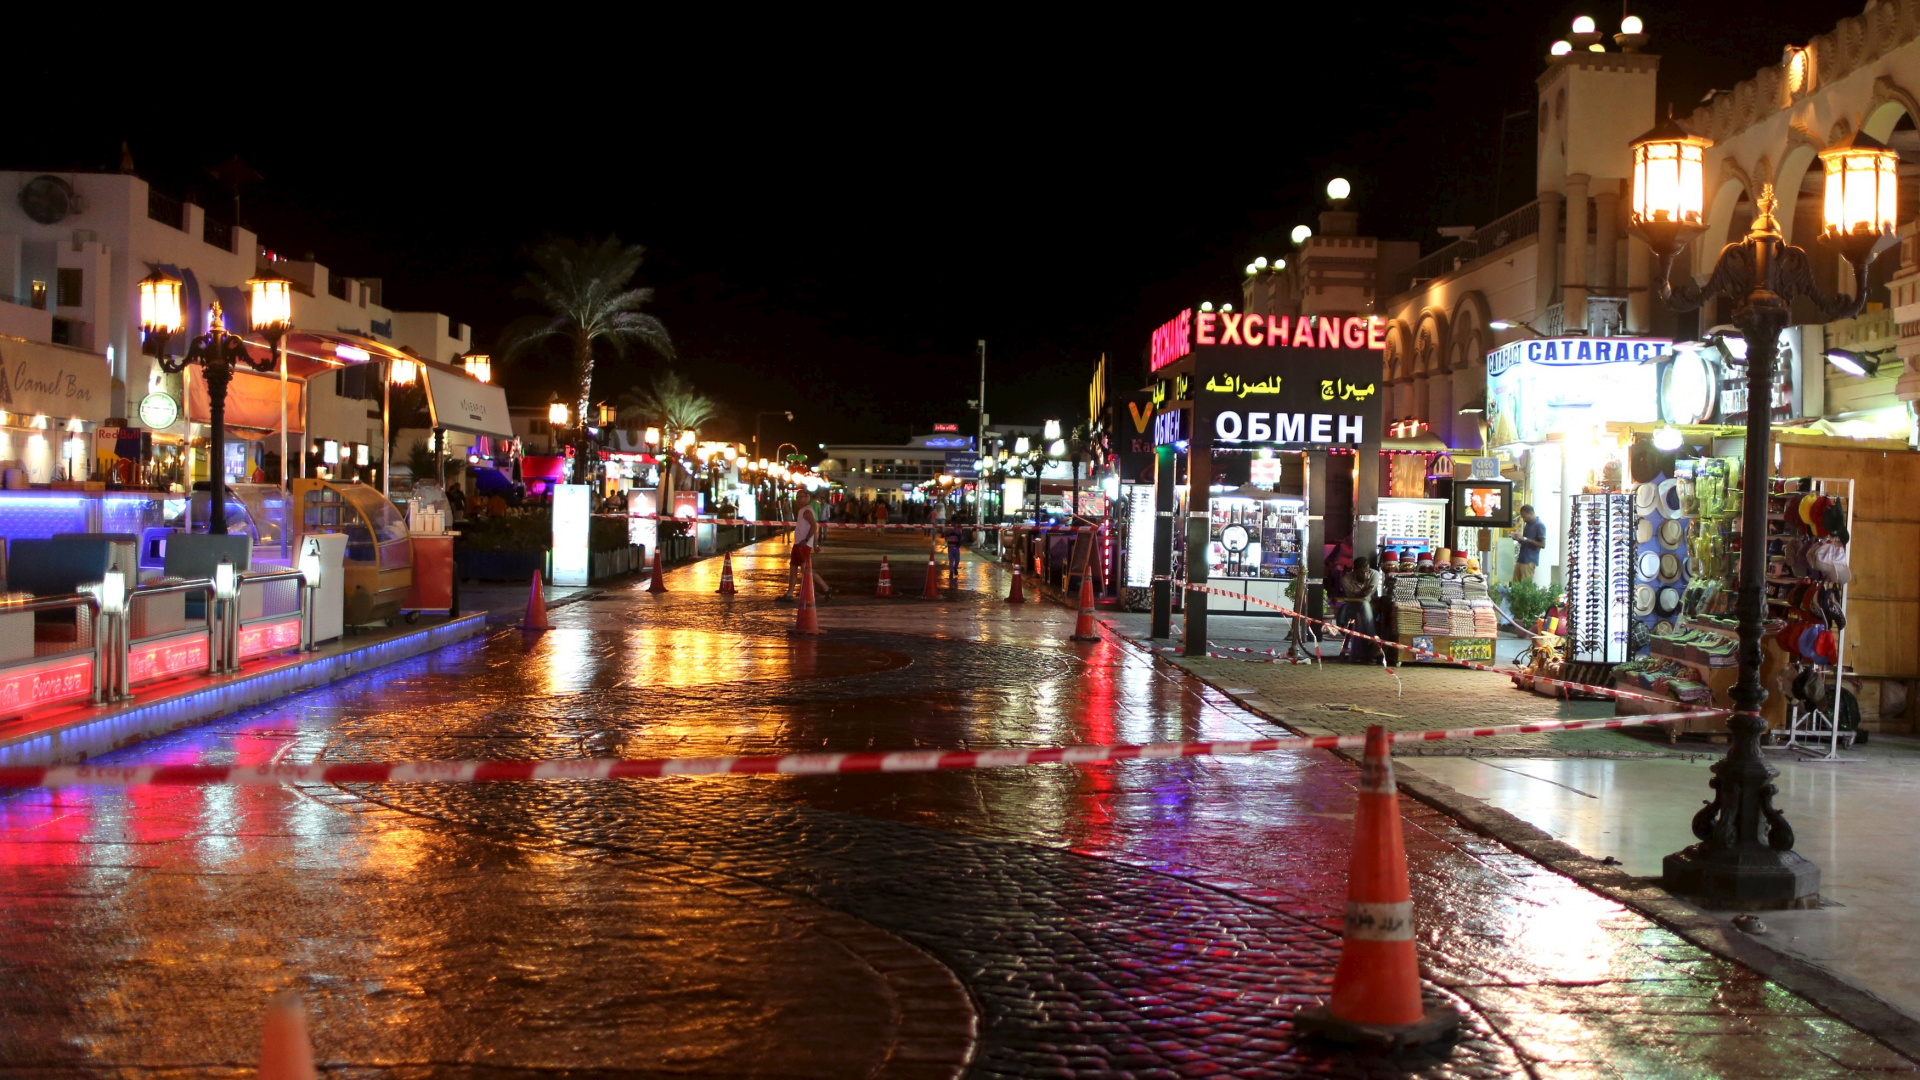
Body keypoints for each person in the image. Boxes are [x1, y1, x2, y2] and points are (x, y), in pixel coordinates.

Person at [778, 489, 831, 603]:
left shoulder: (807, 511)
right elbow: (813, 527)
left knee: (806, 570)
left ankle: (825, 588)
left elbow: (814, 526)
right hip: (799, 544)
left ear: (807, 497)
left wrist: (807, 541)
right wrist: (815, 544)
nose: (798, 499)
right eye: (797, 497)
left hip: (803, 545)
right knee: (793, 568)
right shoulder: (803, 510)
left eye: (800, 497)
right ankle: (789, 594)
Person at [1335, 555, 1380, 663]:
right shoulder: (1346, 579)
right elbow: (1358, 600)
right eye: (1361, 572)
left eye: (1366, 571)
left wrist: (1345, 598)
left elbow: (1366, 597)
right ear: (1354, 571)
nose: (1365, 574)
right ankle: (1373, 640)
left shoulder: (1374, 574)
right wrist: (1358, 597)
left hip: (1372, 608)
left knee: (1361, 613)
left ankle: (1362, 654)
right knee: (1362, 607)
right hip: (1352, 608)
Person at [1513, 503, 1546, 585]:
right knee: (1516, 583)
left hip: (1529, 560)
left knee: (1525, 586)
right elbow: (1525, 541)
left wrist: (1524, 538)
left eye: (1524, 517)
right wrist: (1518, 538)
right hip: (1521, 558)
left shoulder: (1540, 525)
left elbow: (1542, 545)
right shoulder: (1527, 525)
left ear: (1531, 513)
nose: (1523, 519)